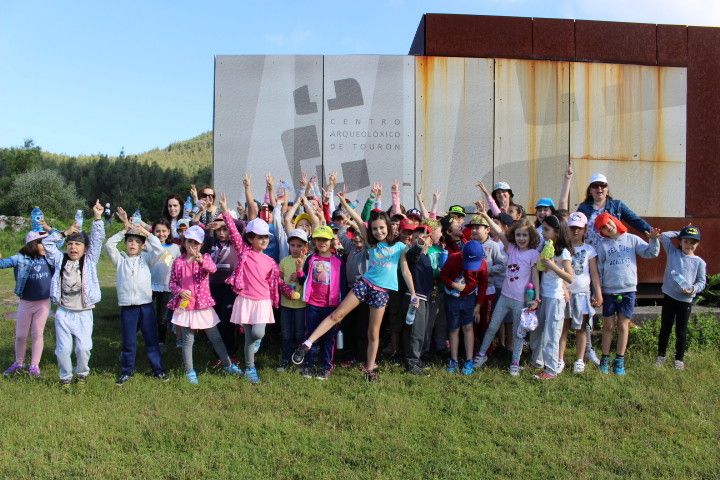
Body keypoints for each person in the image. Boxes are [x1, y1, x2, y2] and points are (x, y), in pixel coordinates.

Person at [292, 192, 418, 383]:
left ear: (389, 227)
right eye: (375, 229)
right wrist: (343, 203)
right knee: (337, 315)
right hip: (364, 285)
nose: (378, 231)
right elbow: (360, 220)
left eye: (381, 228)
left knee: (372, 332)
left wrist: (414, 293)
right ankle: (307, 344)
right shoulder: (370, 244)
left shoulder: (399, 247)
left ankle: (369, 368)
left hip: (381, 293)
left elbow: (406, 271)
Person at [220, 194, 295, 385]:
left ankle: (254, 347)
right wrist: (225, 213)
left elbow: (278, 281)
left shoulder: (270, 261)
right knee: (247, 338)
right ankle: (250, 368)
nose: (264, 240)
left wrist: (289, 291)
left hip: (262, 302)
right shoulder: (244, 252)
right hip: (245, 299)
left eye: (266, 237)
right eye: (259, 237)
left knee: (258, 334)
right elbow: (235, 234)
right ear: (251, 238)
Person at [168, 225, 243, 384]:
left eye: (196, 243)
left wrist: (201, 260)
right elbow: (172, 283)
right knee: (188, 340)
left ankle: (228, 365)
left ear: (201, 245)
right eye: (190, 241)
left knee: (215, 337)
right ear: (184, 242)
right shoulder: (178, 262)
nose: (193, 246)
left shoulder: (205, 257)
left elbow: (213, 269)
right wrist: (180, 291)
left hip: (203, 306)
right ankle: (189, 371)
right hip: (186, 307)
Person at [47, 200, 106, 388]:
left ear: (85, 249)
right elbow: (47, 244)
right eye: (70, 244)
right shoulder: (59, 259)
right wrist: (64, 232)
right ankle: (65, 378)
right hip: (63, 312)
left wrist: (97, 218)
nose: (73, 247)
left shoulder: (89, 261)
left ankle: (82, 375)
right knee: (63, 350)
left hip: (83, 313)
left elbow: (97, 240)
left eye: (77, 244)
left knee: (83, 348)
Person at [106, 208, 168, 385]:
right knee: (128, 342)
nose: (133, 244)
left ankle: (158, 370)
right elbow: (109, 245)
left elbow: (159, 249)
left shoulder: (147, 259)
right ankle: (127, 371)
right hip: (128, 307)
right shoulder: (120, 261)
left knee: (151, 340)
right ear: (126, 244)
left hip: (146, 307)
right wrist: (125, 230)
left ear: (142, 246)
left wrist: (145, 233)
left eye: (136, 242)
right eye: (130, 241)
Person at [474, 212, 541, 376]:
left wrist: (536, 298)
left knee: (518, 333)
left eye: (524, 235)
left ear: (530, 236)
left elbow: (535, 277)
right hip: (504, 296)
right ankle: (481, 355)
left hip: (520, 301)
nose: (521, 238)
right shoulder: (510, 248)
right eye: (518, 235)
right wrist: (485, 215)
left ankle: (515, 363)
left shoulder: (533, 254)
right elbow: (498, 232)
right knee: (492, 327)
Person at [594, 212, 660, 375]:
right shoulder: (602, 245)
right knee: (608, 326)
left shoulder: (632, 239)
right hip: (609, 291)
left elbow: (651, 253)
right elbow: (599, 268)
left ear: (614, 221)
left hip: (628, 290)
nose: (607, 228)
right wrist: (599, 291)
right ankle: (605, 359)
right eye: (603, 227)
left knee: (623, 326)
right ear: (601, 231)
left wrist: (653, 239)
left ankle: (619, 361)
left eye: (608, 223)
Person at [1, 222, 68, 378]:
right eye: (41, 244)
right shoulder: (20, 258)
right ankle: (19, 362)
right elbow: (2, 263)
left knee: (38, 333)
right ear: (32, 244)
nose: (45, 246)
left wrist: (47, 228)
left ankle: (34, 366)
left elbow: (59, 239)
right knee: (21, 335)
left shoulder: (50, 258)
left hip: (43, 302)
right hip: (26, 302)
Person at [297, 225, 347, 380]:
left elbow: (343, 284)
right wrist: (299, 269)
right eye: (318, 239)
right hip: (312, 304)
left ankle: (326, 367)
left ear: (331, 241)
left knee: (329, 338)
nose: (321, 242)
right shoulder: (311, 258)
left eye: (325, 239)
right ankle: (309, 365)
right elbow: (303, 280)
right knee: (312, 335)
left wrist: (342, 306)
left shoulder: (338, 261)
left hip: (332, 306)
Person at [529, 215, 574, 380]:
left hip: (556, 298)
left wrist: (553, 266)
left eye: (547, 230)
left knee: (552, 334)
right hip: (544, 296)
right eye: (543, 229)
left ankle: (551, 370)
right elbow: (538, 268)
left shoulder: (564, 252)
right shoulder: (547, 247)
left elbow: (570, 277)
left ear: (557, 231)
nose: (543, 233)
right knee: (536, 330)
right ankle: (538, 361)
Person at [557, 212, 603, 374]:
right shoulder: (563, 249)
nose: (575, 231)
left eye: (579, 228)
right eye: (572, 227)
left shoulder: (590, 250)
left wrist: (598, 293)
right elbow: (559, 270)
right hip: (565, 294)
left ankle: (579, 360)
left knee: (582, 328)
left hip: (582, 294)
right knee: (563, 328)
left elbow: (594, 274)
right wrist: (563, 288)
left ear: (585, 230)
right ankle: (559, 359)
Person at [656, 226, 706, 370]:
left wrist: (692, 289)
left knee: (681, 330)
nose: (688, 245)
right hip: (669, 297)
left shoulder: (699, 262)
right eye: (685, 241)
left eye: (692, 242)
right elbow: (664, 236)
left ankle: (679, 359)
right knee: (665, 327)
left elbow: (702, 282)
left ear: (697, 244)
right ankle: (661, 356)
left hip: (685, 301)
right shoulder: (673, 252)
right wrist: (681, 232)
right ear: (680, 241)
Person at [439, 240, 488, 376]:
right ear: (462, 256)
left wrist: (478, 305)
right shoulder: (453, 258)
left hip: (469, 298)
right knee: (454, 328)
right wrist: (454, 285)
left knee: (468, 327)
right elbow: (443, 276)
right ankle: (453, 360)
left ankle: (469, 360)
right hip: (452, 297)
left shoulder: (482, 264)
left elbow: (483, 284)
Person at [202, 217, 242, 365]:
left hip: (229, 287)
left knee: (228, 322)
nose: (221, 233)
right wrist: (211, 227)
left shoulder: (235, 243)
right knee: (216, 321)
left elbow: (240, 224)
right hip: (212, 286)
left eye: (225, 229)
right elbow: (197, 226)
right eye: (218, 230)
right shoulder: (210, 242)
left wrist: (224, 223)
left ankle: (231, 353)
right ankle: (219, 355)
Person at [574, 172, 652, 247]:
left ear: (607, 190)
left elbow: (634, 219)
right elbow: (575, 227)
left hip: (611, 251)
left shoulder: (617, 205)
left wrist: (651, 231)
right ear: (590, 190)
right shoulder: (583, 207)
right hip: (591, 253)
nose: (599, 188)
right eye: (595, 186)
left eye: (603, 185)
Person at [277, 229, 309, 372]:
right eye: (293, 245)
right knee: (286, 334)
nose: (295, 248)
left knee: (300, 334)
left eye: (299, 245)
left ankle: (300, 361)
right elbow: (278, 280)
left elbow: (309, 282)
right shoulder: (284, 261)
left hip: (302, 305)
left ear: (305, 247)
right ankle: (284, 360)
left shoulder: (308, 260)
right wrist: (285, 286)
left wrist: (300, 274)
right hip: (286, 304)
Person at [149, 219, 181, 351]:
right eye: (157, 231)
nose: (160, 234)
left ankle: (161, 342)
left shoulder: (175, 248)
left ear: (168, 232)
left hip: (166, 287)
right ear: (153, 232)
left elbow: (179, 267)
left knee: (162, 317)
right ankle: (149, 339)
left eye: (163, 231)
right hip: (148, 286)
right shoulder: (148, 246)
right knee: (147, 314)